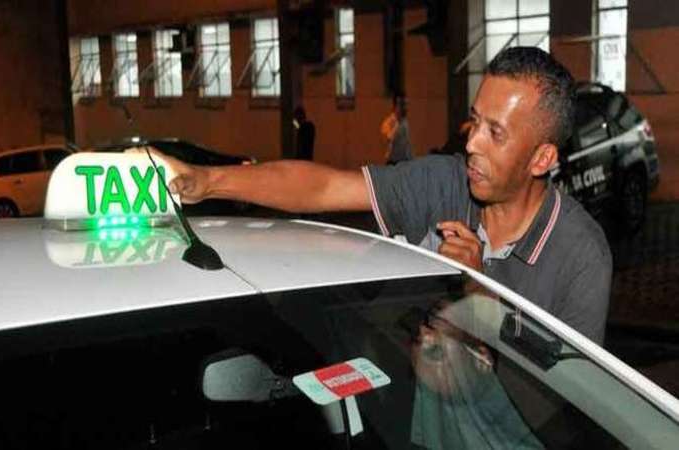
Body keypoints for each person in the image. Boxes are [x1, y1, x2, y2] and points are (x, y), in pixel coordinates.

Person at [138, 47, 611, 345]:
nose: (471, 142)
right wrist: (208, 181)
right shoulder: (446, 182)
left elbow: (572, 407)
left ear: (542, 158)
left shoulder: (581, 255)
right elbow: (324, 186)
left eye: (495, 133)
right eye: (474, 120)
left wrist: (478, 292)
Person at [380, 95, 413, 164]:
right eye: (402, 105)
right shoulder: (388, 122)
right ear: (395, 107)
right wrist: (397, 124)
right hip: (393, 162)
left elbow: (406, 142)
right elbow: (389, 139)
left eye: (406, 105)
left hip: (404, 161)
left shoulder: (404, 122)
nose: (405, 108)